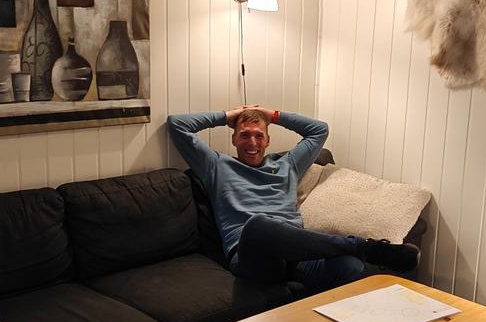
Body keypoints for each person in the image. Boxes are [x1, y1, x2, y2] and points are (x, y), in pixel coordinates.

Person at [167, 106, 419, 291]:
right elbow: (177, 124)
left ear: (268, 140)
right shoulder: (217, 165)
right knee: (259, 225)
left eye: (259, 135)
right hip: (253, 256)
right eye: (244, 135)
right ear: (234, 139)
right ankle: (367, 247)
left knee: (350, 267)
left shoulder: (287, 164)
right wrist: (227, 116)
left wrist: (271, 115)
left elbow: (319, 130)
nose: (252, 142)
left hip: (298, 255)